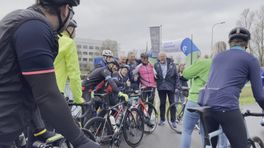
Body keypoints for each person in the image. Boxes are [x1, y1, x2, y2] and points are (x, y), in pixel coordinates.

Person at [0, 0, 99, 147]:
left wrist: (39, 129)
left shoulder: (21, 20)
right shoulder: (36, 27)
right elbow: (47, 95)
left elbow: (27, 87)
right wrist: (81, 141)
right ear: (65, 9)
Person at [199, 27, 264, 148]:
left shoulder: (217, 57)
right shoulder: (251, 60)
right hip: (227, 108)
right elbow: (259, 95)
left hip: (207, 107)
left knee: (210, 145)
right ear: (247, 44)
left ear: (230, 43)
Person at [180, 41, 227, 148]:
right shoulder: (225, 66)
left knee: (187, 130)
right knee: (206, 133)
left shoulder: (205, 62)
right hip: (213, 102)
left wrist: (195, 71)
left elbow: (186, 74)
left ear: (213, 51)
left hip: (196, 99)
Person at [54, 19, 84, 104]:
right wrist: (78, 98)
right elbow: (74, 74)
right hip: (55, 91)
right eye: (75, 30)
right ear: (70, 29)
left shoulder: (51, 38)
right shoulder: (69, 43)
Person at [154, 52, 178, 127]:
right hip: (161, 87)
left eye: (163, 56)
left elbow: (176, 76)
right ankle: (162, 120)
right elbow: (154, 76)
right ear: (158, 57)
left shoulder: (172, 64)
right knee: (162, 103)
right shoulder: (156, 65)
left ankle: (173, 121)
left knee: (172, 103)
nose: (162, 58)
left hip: (171, 87)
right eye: (160, 56)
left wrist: (177, 87)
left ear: (166, 57)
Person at [133, 53, 156, 126]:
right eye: (143, 58)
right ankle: (140, 120)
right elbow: (133, 74)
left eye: (146, 58)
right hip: (144, 88)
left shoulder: (151, 65)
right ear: (141, 58)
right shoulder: (139, 67)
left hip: (152, 87)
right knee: (142, 105)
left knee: (151, 104)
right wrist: (136, 79)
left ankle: (148, 119)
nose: (145, 59)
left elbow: (156, 75)